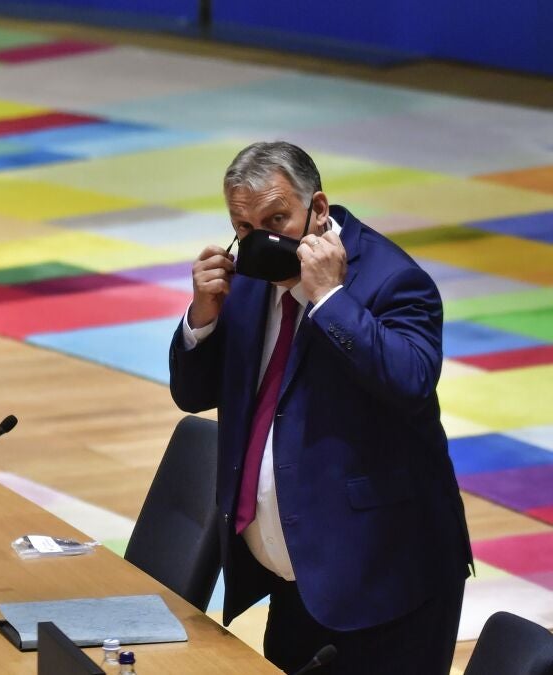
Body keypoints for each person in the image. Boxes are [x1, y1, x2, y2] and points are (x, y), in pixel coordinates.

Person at [168, 141, 472, 673]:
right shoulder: (249, 280)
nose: (261, 240)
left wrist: (330, 299)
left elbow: (412, 382)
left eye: (277, 220)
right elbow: (194, 395)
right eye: (244, 227)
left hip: (388, 583)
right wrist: (203, 317)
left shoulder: (392, 279)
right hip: (299, 582)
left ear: (319, 208)